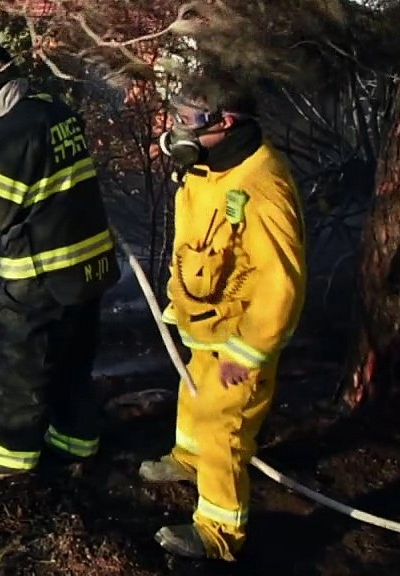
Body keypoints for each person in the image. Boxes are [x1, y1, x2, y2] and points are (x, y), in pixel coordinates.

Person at [140, 66, 307, 561]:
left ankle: (219, 531)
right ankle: (190, 460)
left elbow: (283, 282)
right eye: (178, 114)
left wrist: (249, 351)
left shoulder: (263, 185)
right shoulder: (206, 169)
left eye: (190, 118)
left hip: (239, 337)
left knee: (223, 429)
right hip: (206, 325)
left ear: (227, 121)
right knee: (193, 400)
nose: (179, 128)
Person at [0, 31, 122, 479]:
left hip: (41, 273)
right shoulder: (55, 111)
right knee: (74, 356)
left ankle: (9, 453)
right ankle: (76, 438)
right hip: (88, 265)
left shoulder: (14, 133)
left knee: (21, 362)